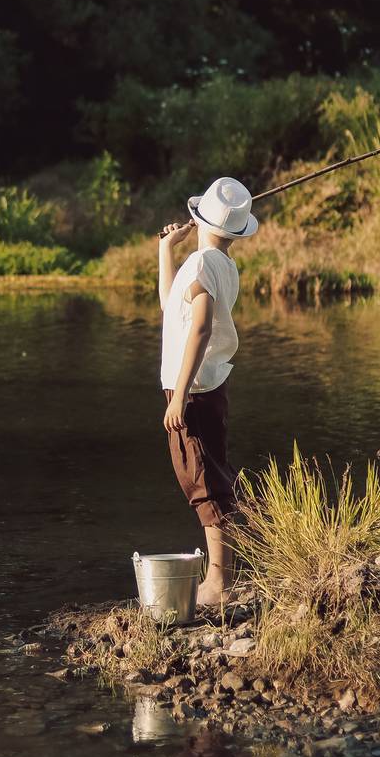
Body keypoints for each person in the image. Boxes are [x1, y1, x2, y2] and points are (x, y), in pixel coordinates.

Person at [158, 177, 258, 609]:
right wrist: (165, 251)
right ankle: (222, 577)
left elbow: (199, 328)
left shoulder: (201, 264)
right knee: (211, 474)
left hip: (194, 388)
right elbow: (172, 309)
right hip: (206, 384)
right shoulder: (220, 265)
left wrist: (180, 394)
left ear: (200, 220)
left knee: (202, 479)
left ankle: (218, 583)